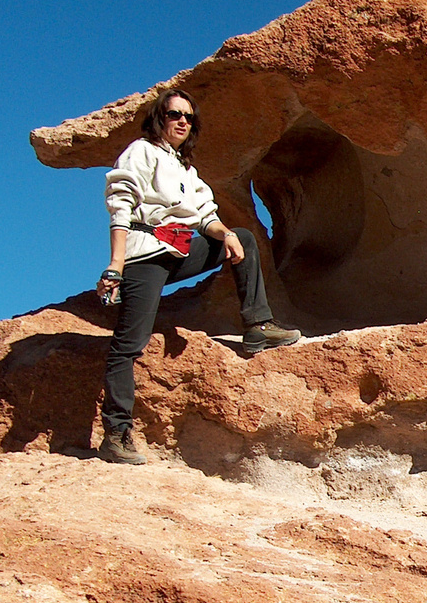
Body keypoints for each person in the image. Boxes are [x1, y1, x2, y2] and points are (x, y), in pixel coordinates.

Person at [94, 88, 300, 464]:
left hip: (181, 248)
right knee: (129, 343)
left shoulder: (187, 170)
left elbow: (205, 215)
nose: (182, 122)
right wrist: (116, 266)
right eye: (174, 115)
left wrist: (225, 235)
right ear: (160, 118)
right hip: (146, 254)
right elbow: (120, 204)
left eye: (188, 117)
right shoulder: (142, 152)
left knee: (246, 240)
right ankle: (116, 433)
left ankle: (257, 326)